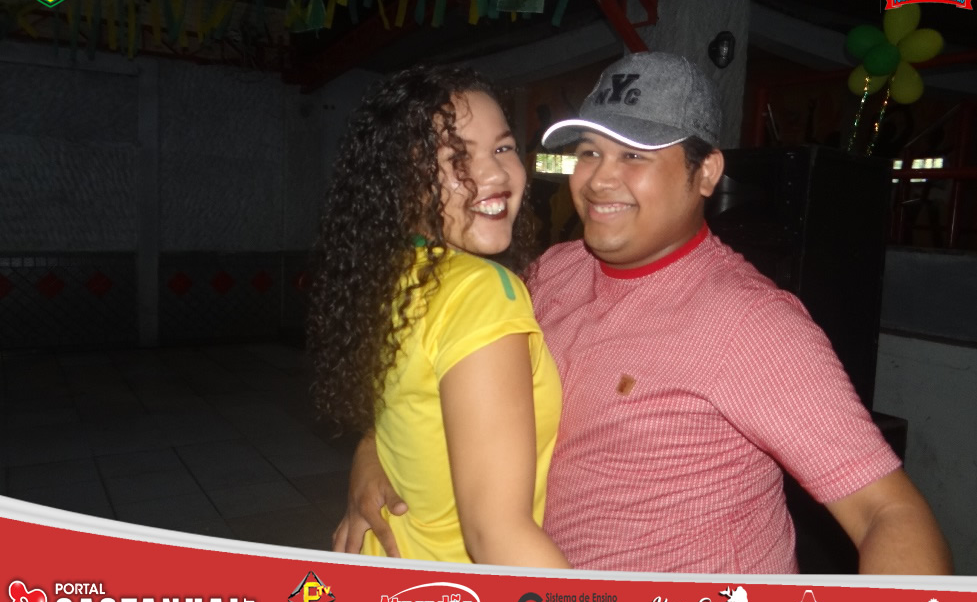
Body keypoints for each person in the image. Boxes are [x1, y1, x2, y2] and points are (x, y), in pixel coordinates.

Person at [335, 52, 952, 575]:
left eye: (635, 155)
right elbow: (445, 384)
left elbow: (888, 512)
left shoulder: (750, 324)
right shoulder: (549, 275)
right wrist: (374, 453)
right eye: (589, 152)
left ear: (705, 173)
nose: (599, 180)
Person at [308, 65, 568, 568]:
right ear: (402, 185)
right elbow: (496, 536)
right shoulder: (481, 292)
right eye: (456, 157)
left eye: (502, 148)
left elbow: (412, 416)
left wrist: (367, 451)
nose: (495, 174)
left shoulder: (400, 275)